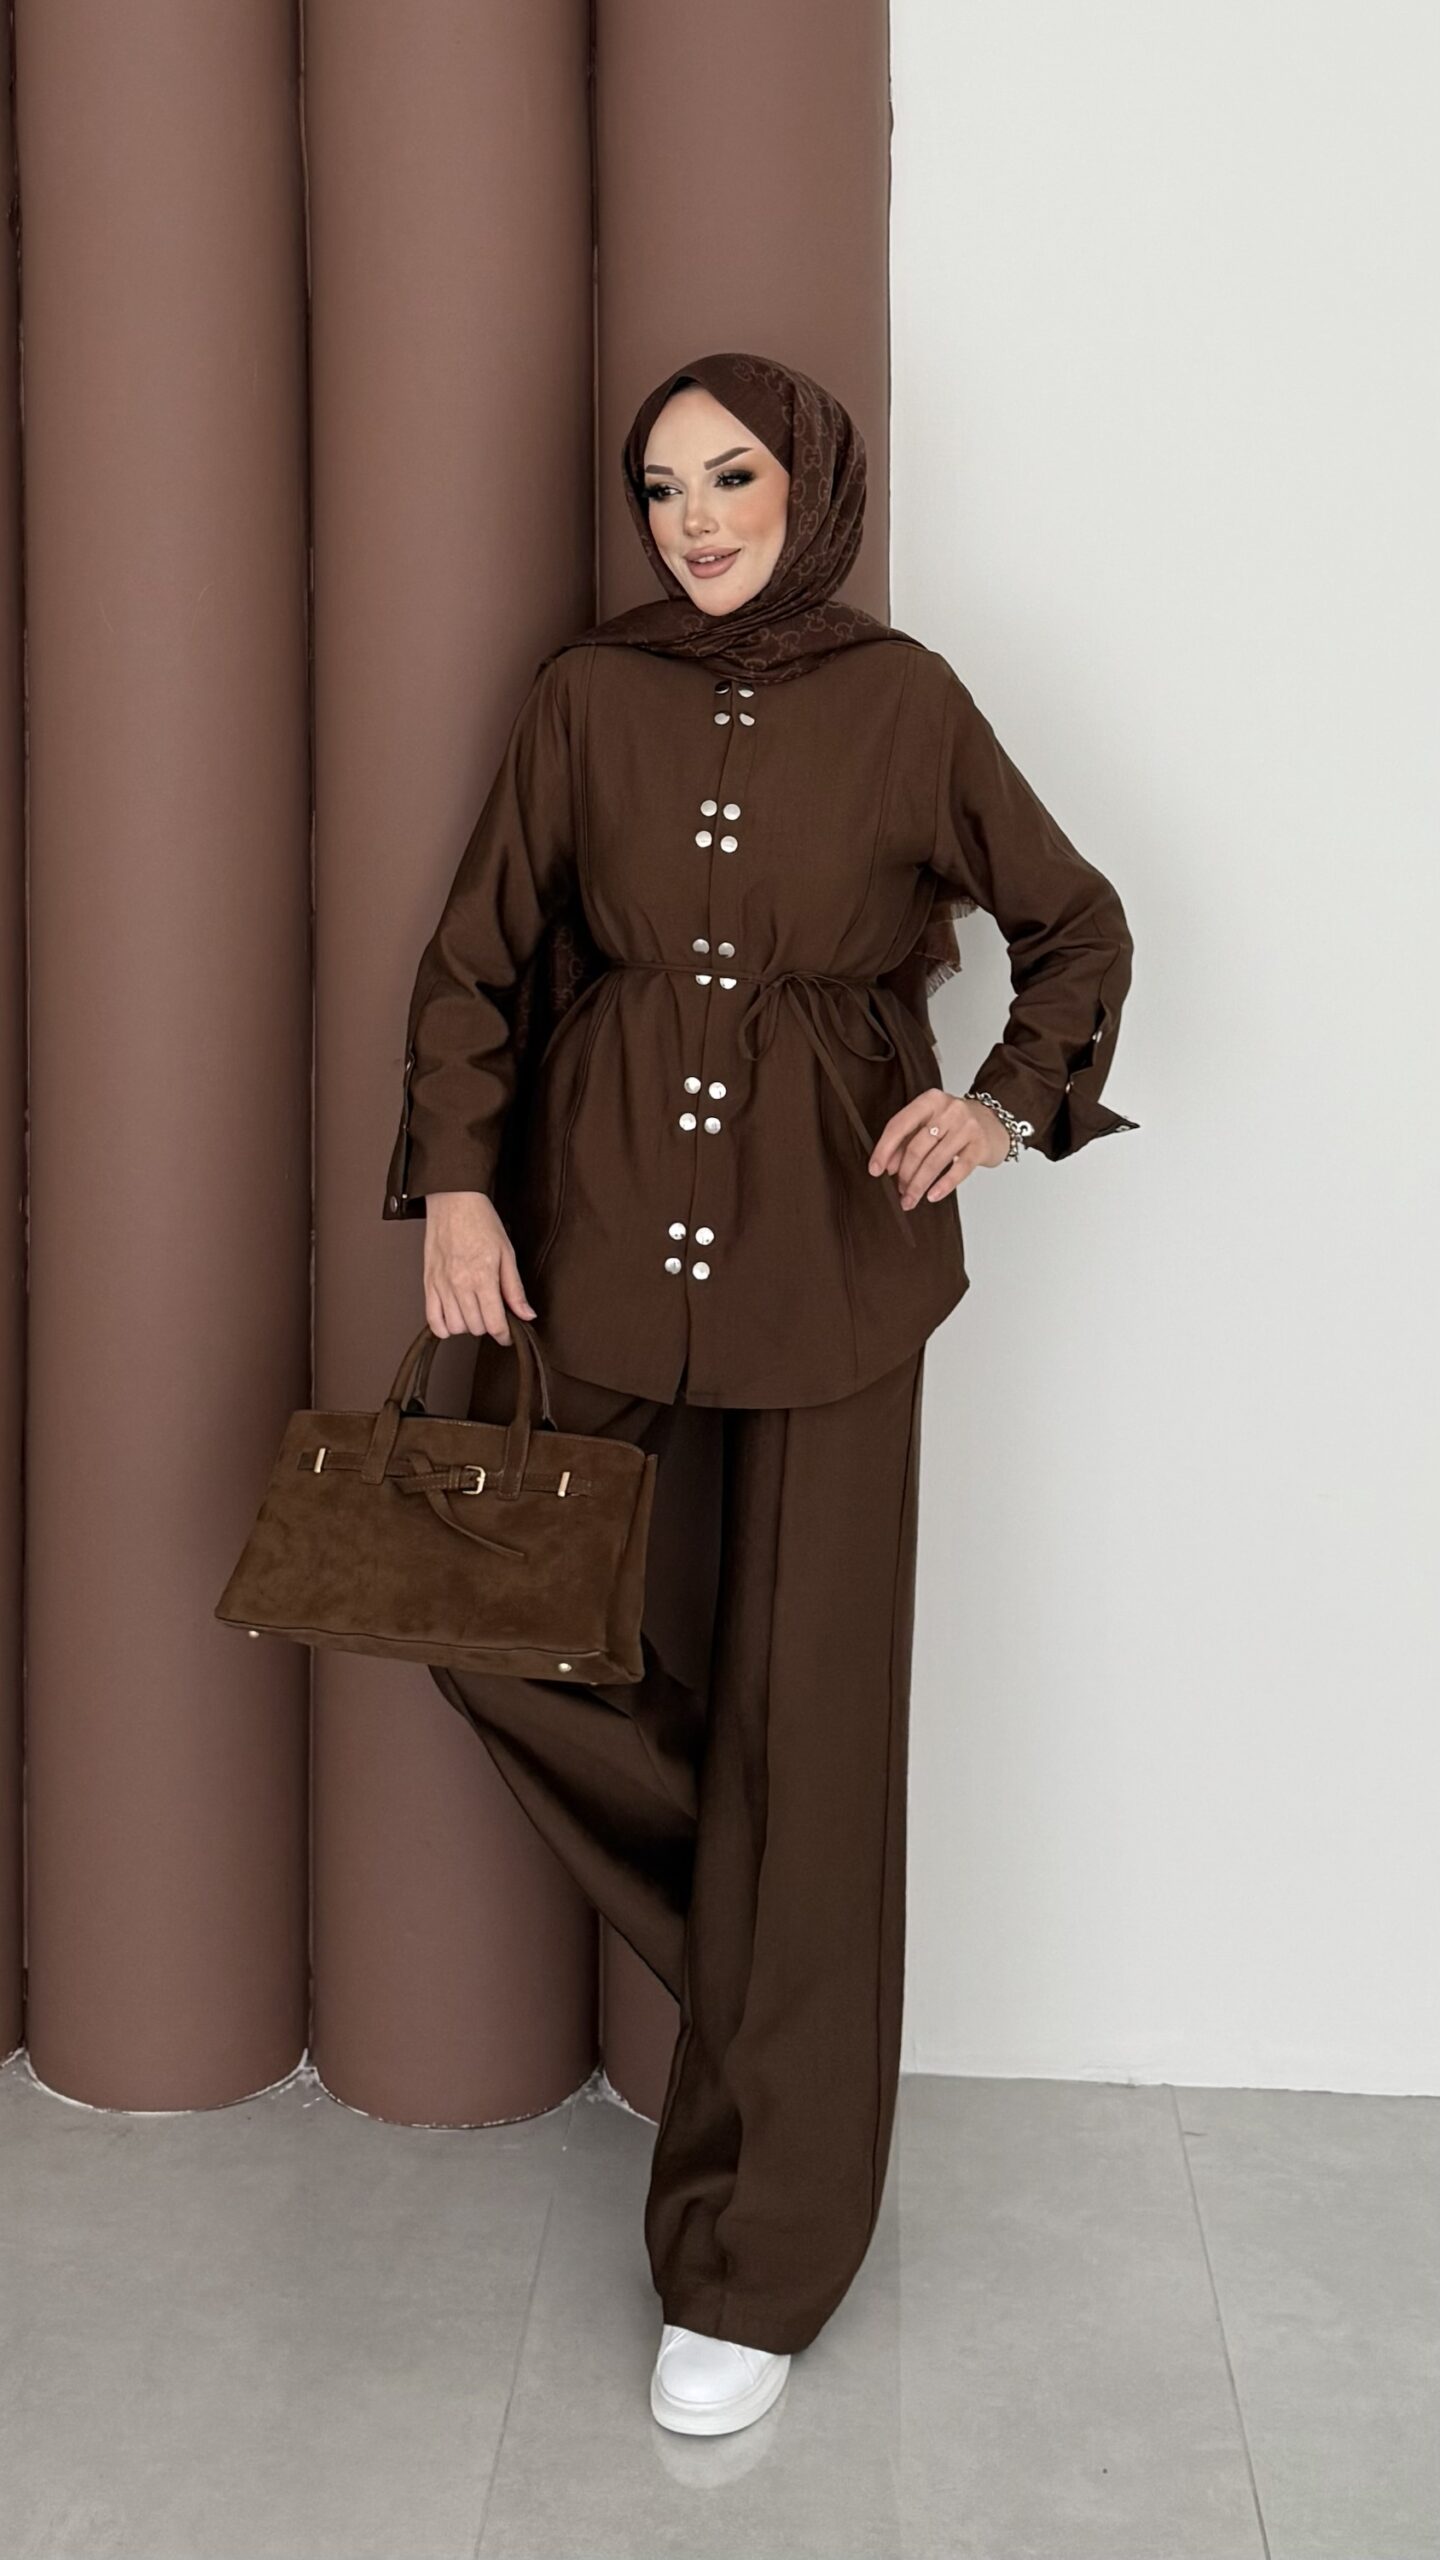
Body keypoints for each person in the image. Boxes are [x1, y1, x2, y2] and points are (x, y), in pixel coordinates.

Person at [382, 350, 1138, 2436]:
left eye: (730, 476)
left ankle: (755, 2262)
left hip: (837, 1267)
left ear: (809, 486)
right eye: (661, 487)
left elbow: (1077, 927)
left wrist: (1003, 1104)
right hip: (590, 1243)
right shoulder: (586, 696)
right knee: (469, 1603)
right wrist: (460, 1181)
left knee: (814, 1721)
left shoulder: (909, 703)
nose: (696, 518)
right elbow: (478, 957)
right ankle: (778, 1925)